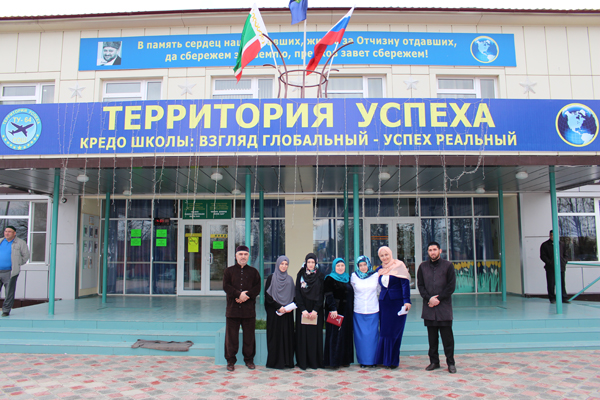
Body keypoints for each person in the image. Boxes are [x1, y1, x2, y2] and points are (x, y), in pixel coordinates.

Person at [417, 241, 457, 374]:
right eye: (430, 250)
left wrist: (438, 299)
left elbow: (451, 286)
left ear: (440, 251)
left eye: (434, 249)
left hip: (444, 309)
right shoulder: (422, 267)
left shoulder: (448, 266)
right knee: (432, 339)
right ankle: (434, 361)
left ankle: (450, 363)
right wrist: (429, 299)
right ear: (427, 252)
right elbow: (421, 286)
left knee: (447, 339)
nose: (432, 252)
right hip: (429, 309)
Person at [222, 245, 261, 372]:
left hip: (248, 310)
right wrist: (238, 295)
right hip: (232, 309)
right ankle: (230, 361)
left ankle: (249, 360)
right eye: (240, 254)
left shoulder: (254, 272)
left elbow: (257, 288)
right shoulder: (228, 271)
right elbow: (226, 286)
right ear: (236, 256)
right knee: (231, 338)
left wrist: (246, 296)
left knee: (249, 337)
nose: (243, 257)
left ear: (248, 256)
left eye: (245, 254)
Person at [374, 246, 411, 369]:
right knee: (385, 331)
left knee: (394, 332)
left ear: (391, 254)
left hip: (397, 303)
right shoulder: (380, 269)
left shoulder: (399, 266)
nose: (385, 257)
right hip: (384, 303)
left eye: (386, 255)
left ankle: (393, 361)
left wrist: (407, 301)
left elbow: (405, 285)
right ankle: (383, 359)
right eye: (382, 256)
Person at [264, 255, 295, 369]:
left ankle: (287, 362)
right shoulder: (271, 278)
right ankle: (275, 362)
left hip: (287, 313)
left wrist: (287, 308)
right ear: (277, 264)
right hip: (275, 313)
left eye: (286, 264)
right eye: (282, 264)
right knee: (275, 337)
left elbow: (294, 296)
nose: (284, 266)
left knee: (287, 337)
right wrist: (278, 307)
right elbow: (267, 297)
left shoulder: (290, 279)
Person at [295, 253, 325, 370]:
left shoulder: (320, 276)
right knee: (303, 336)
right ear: (305, 263)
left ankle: (314, 362)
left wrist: (315, 310)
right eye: (309, 262)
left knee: (314, 336)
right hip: (303, 310)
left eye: (313, 262)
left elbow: (322, 293)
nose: (311, 264)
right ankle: (303, 362)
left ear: (316, 263)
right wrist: (302, 309)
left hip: (315, 310)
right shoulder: (300, 275)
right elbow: (297, 292)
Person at [323, 257, 354, 368]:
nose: (340, 268)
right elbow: (328, 295)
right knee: (335, 336)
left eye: (342, 265)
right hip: (335, 312)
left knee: (345, 335)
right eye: (338, 266)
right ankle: (333, 362)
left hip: (347, 311)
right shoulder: (329, 279)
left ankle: (344, 360)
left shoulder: (347, 278)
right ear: (334, 267)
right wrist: (333, 309)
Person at [350, 255, 379, 368]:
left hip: (373, 310)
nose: (363, 267)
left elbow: (379, 290)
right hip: (359, 310)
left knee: (372, 337)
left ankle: (373, 360)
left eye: (364, 264)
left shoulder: (375, 275)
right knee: (360, 338)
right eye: (360, 265)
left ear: (368, 264)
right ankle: (363, 361)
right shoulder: (354, 276)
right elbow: (352, 290)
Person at [0, 226, 30, 317]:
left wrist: (17, 263)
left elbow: (26, 256)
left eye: (9, 231)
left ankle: (6, 310)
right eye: (6, 231)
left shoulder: (20, 243)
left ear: (14, 233)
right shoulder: (1, 241)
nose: (7, 233)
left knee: (9, 292)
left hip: (10, 272)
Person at [540, 230, 569, 304]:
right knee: (551, 283)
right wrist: (549, 262)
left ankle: (564, 298)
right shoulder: (545, 245)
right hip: (550, 268)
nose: (553, 237)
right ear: (549, 235)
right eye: (551, 235)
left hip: (561, 267)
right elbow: (543, 256)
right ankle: (552, 298)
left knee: (562, 283)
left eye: (554, 235)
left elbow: (565, 254)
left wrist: (564, 261)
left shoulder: (562, 244)